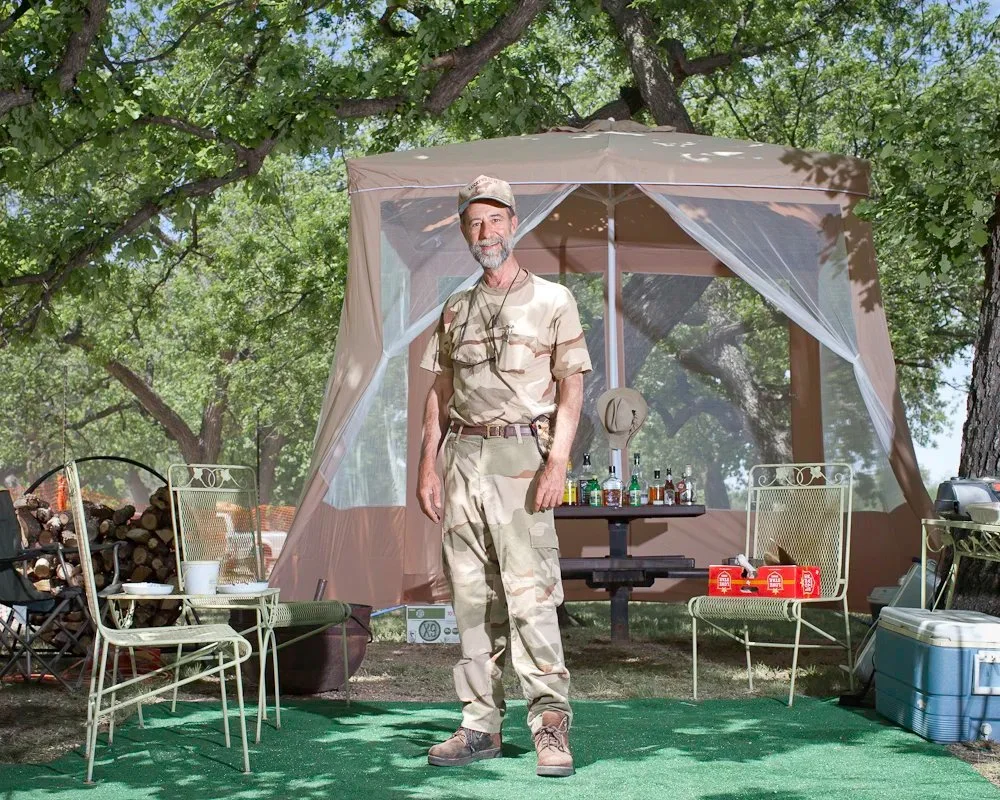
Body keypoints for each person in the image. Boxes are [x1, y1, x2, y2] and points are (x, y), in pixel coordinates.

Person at [417, 175, 591, 778]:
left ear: (514, 223)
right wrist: (427, 466)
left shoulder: (553, 299)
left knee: (530, 596)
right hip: (461, 460)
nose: (484, 232)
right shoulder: (455, 307)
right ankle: (478, 727)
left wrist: (558, 463)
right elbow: (439, 390)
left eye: (494, 220)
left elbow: (573, 388)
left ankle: (549, 727)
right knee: (470, 599)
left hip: (523, 461)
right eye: (473, 223)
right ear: (466, 232)